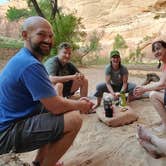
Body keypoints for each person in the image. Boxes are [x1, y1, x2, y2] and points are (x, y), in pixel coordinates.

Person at [0, 16, 93, 166]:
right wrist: (80, 105)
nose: (48, 40)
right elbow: (55, 106)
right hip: (6, 133)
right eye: (41, 34)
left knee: (53, 110)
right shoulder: (31, 65)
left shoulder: (26, 59)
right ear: (25, 35)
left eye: (50, 36)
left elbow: (52, 103)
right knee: (74, 119)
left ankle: (38, 162)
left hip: (11, 121)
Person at [135, 40, 166, 158]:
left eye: (159, 48)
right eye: (154, 50)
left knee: (153, 94)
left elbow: (162, 84)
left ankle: (163, 126)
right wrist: (144, 87)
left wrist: (144, 89)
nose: (156, 52)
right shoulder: (164, 65)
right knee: (155, 92)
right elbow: (163, 84)